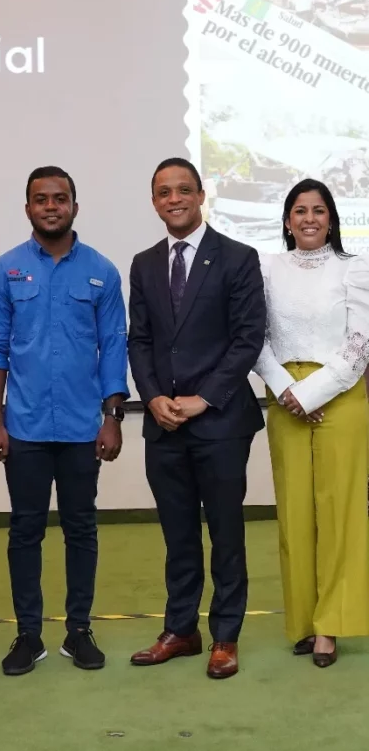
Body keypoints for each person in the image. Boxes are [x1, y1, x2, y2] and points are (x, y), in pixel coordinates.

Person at [0, 166, 129, 676]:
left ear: (74, 206)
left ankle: (78, 631)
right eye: (40, 199)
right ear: (27, 209)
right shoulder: (5, 270)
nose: (50, 206)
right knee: (24, 530)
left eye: (60, 198)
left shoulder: (102, 272)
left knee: (81, 528)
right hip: (22, 428)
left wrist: (112, 418)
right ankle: (28, 635)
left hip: (82, 428)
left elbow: (113, 347)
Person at [128, 158, 265, 679]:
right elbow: (139, 339)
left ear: (202, 194)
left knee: (226, 534)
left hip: (220, 422)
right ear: (154, 200)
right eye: (164, 191)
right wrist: (154, 396)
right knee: (178, 535)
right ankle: (181, 630)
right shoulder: (143, 264)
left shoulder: (237, 257)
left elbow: (248, 338)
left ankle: (225, 636)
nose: (174, 198)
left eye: (184, 189)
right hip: (163, 423)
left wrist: (203, 399)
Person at [254, 179, 369, 667]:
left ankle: (330, 628)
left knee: (340, 513)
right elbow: (254, 337)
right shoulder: (266, 267)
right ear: (286, 220)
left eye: (318, 210)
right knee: (295, 514)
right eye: (299, 210)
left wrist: (315, 392)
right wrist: (289, 392)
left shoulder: (354, 267)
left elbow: (360, 342)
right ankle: (303, 621)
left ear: (331, 219)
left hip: (342, 394)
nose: (308, 219)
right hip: (284, 397)